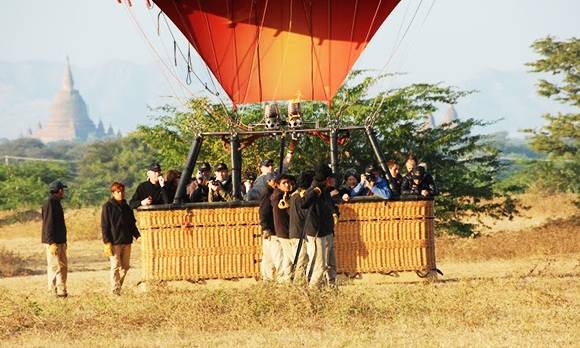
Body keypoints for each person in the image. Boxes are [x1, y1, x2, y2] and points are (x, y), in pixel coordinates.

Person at [101, 182, 141, 295]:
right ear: (113, 193)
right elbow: (104, 225)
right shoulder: (107, 206)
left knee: (125, 267)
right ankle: (115, 289)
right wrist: (106, 242)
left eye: (122, 191)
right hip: (114, 242)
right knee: (115, 266)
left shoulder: (127, 207)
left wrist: (137, 236)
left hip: (127, 240)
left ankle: (118, 286)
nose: (121, 194)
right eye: (118, 192)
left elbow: (132, 224)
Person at [302, 164, 337, 288]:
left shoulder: (326, 191)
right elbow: (304, 204)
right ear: (327, 179)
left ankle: (332, 292)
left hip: (327, 232)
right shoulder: (313, 191)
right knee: (319, 265)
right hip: (317, 234)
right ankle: (312, 291)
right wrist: (315, 192)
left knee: (331, 265)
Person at [41, 180, 68, 298]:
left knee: (62, 266)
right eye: (63, 189)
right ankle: (53, 292)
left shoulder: (56, 203)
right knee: (54, 267)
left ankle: (61, 290)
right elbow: (48, 224)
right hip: (53, 242)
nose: (63, 192)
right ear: (60, 190)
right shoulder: (49, 203)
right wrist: (51, 242)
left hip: (60, 240)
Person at [288, 170, 314, 283]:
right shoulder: (302, 197)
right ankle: (298, 285)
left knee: (300, 260)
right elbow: (305, 213)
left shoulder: (294, 196)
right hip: (300, 233)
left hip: (294, 232)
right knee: (302, 261)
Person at [270, 174, 295, 283]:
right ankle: (291, 278)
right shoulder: (279, 196)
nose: (287, 185)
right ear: (278, 185)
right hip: (284, 231)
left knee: (287, 258)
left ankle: (286, 279)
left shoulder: (283, 195)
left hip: (284, 231)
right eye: (284, 183)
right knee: (293, 257)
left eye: (288, 182)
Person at [258, 173, 281, 281]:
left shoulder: (269, 192)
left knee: (268, 257)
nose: (276, 183)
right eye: (274, 180)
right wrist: (265, 227)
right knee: (277, 257)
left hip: (269, 229)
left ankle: (266, 279)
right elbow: (263, 211)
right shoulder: (267, 193)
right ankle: (280, 279)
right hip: (272, 230)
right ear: (268, 181)